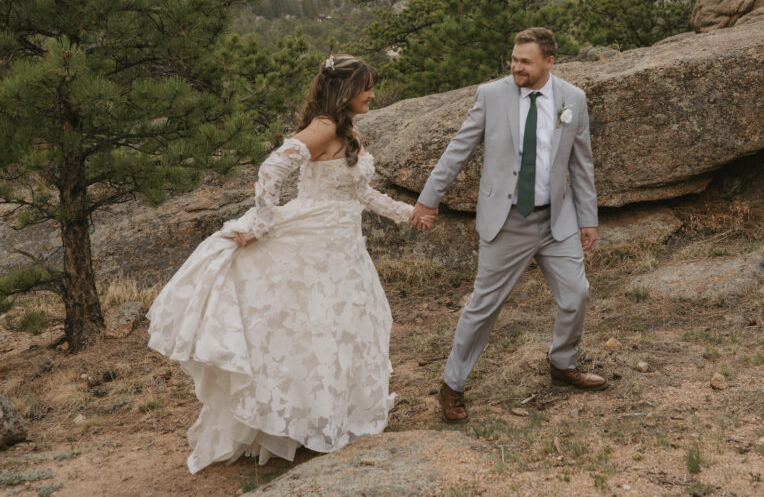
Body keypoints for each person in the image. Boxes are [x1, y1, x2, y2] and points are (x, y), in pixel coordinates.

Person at [147, 55, 414, 473]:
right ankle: (297, 422)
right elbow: (272, 168)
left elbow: (360, 192)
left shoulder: (345, 129)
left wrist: (407, 213)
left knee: (337, 328)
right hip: (313, 241)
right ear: (345, 91)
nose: (372, 95)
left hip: (341, 246)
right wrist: (263, 222)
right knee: (309, 328)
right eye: (366, 88)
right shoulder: (324, 127)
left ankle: (326, 417)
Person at [409, 27, 606, 424]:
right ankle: (452, 384)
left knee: (577, 294)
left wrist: (587, 218)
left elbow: (581, 163)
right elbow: (458, 149)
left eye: (525, 62)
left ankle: (562, 362)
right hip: (506, 221)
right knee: (483, 306)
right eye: (514, 60)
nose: (516, 67)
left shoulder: (573, 99)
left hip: (557, 219)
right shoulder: (491, 95)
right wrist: (429, 198)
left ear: (549, 62)